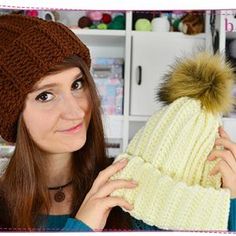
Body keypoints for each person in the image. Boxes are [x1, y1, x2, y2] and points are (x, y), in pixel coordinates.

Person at [0, 13, 235, 232]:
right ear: (11, 114)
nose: (75, 111)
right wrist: (81, 228)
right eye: (45, 96)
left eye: (77, 84)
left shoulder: (130, 187)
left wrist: (232, 202)